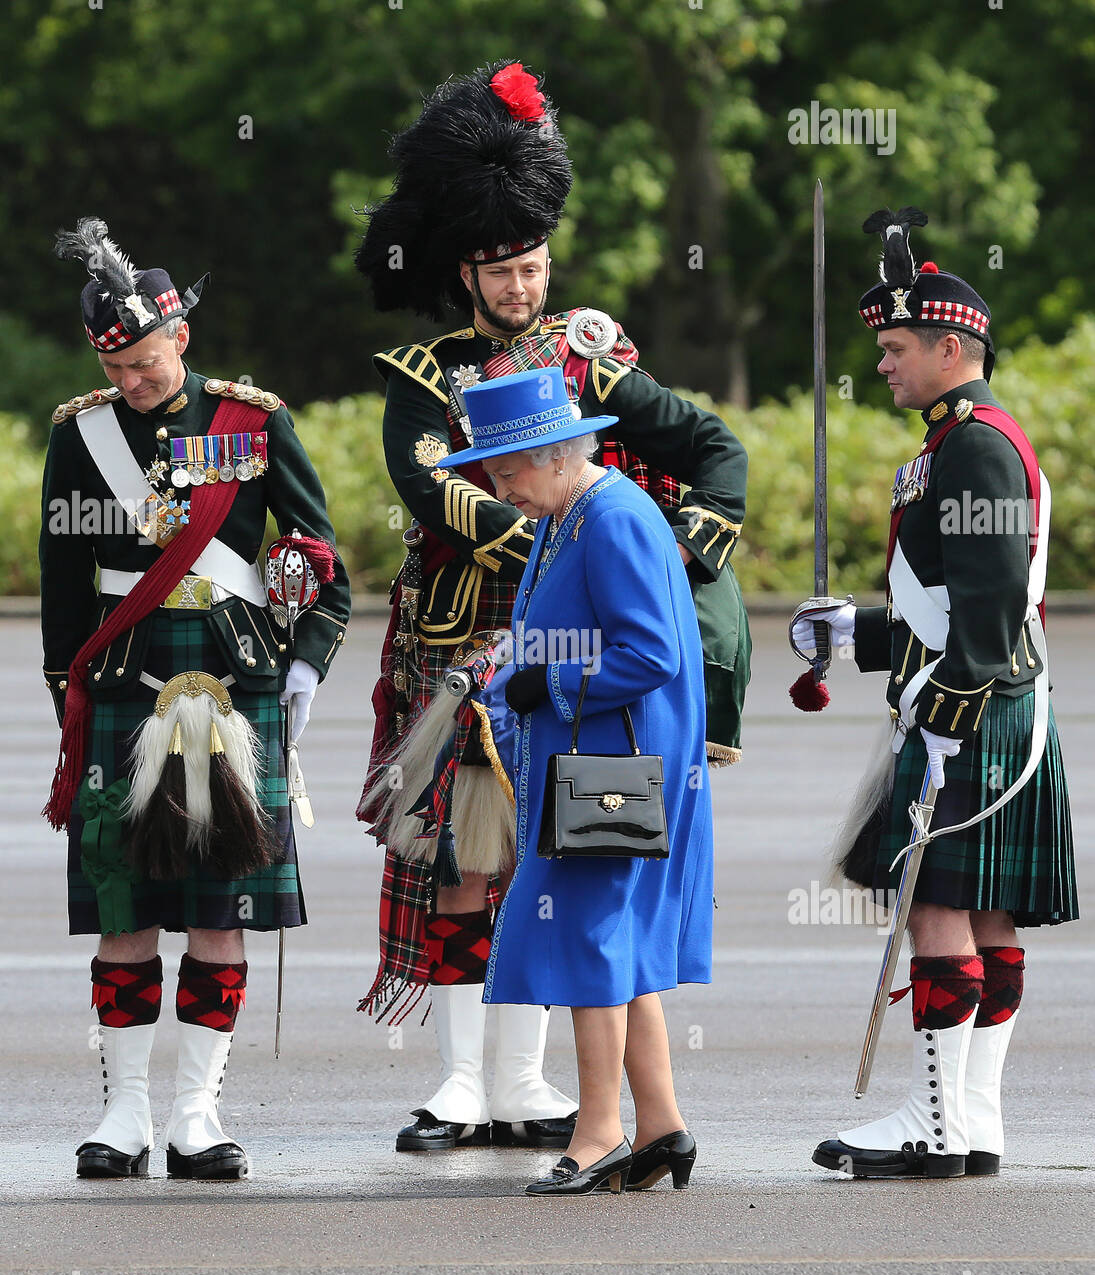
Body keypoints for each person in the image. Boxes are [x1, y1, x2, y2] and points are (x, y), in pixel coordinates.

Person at [353, 60, 749, 1154]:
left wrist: (684, 551)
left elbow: (704, 443)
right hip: (457, 636)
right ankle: (459, 1084)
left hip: (565, 650)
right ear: (464, 273)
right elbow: (432, 487)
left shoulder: (587, 356)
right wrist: (553, 534)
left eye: (533, 266)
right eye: (502, 270)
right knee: (453, 866)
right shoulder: (426, 374)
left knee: (556, 865)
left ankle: (533, 1086)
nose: (523, 289)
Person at [42, 219, 350, 1178]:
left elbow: (320, 558)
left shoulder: (253, 423)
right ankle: (124, 1115)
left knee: (222, 908)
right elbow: (62, 581)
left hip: (233, 675)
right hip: (123, 676)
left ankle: (196, 1116)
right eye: (119, 366)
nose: (134, 381)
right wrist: (71, 696)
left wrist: (302, 668)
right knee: (122, 905)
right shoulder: (82, 435)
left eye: (145, 360)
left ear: (179, 336)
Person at [793, 208, 1077, 1179]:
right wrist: (857, 633)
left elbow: (994, 604)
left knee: (939, 910)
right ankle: (974, 1117)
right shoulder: (952, 440)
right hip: (976, 699)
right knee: (983, 913)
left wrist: (951, 706)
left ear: (952, 344)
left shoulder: (978, 446)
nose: (882, 362)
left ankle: (937, 1123)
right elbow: (945, 603)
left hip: (976, 712)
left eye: (896, 344)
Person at [459, 366, 711, 1195]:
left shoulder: (610, 518)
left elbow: (651, 654)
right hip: (599, 759)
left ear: (557, 451)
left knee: (593, 942)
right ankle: (662, 1126)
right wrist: (512, 666)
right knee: (615, 947)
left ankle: (598, 1131)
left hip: (618, 764)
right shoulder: (568, 512)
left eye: (506, 473)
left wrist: (551, 683)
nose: (500, 491)